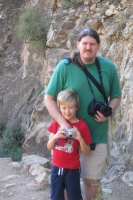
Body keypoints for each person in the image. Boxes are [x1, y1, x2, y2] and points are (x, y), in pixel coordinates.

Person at [44, 28, 122, 200]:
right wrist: (64, 125)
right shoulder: (64, 67)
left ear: (98, 46)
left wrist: (108, 111)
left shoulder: (108, 67)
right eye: (84, 43)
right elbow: (49, 98)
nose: (88, 47)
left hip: (96, 135)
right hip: (66, 137)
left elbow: (116, 96)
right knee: (64, 182)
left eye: (92, 44)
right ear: (78, 44)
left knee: (91, 182)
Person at [47, 89, 92, 200]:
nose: (67, 111)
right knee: (56, 196)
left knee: (75, 196)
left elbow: (87, 152)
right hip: (57, 167)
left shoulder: (82, 126)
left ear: (77, 107)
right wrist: (56, 136)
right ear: (59, 108)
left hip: (73, 169)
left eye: (71, 107)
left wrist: (80, 139)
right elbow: (49, 146)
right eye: (64, 108)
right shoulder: (57, 123)